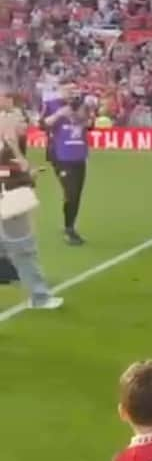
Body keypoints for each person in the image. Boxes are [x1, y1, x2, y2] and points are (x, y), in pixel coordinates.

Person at [0, 86, 63, 311]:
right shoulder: (8, 144)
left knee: (11, 246)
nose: (24, 124)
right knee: (24, 248)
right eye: (18, 120)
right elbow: (8, 170)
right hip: (10, 200)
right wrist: (22, 165)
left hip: (10, 194)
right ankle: (40, 296)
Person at [42, 84, 90, 246]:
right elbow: (42, 125)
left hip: (79, 155)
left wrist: (83, 116)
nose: (72, 94)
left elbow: (90, 125)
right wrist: (59, 114)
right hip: (60, 155)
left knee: (76, 193)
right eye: (68, 91)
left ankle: (69, 224)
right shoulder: (52, 105)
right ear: (61, 91)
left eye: (75, 91)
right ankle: (70, 230)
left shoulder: (84, 105)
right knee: (71, 192)